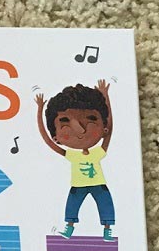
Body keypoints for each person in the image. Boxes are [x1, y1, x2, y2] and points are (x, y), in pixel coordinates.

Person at [35, 82, 116, 241]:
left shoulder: (97, 153)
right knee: (71, 207)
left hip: (98, 185)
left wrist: (105, 96)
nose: (80, 129)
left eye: (91, 119)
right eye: (66, 122)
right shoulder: (72, 155)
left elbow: (110, 128)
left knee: (106, 205)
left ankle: (107, 231)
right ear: (57, 137)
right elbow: (48, 140)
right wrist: (39, 110)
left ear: (103, 129)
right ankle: (69, 230)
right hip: (78, 186)